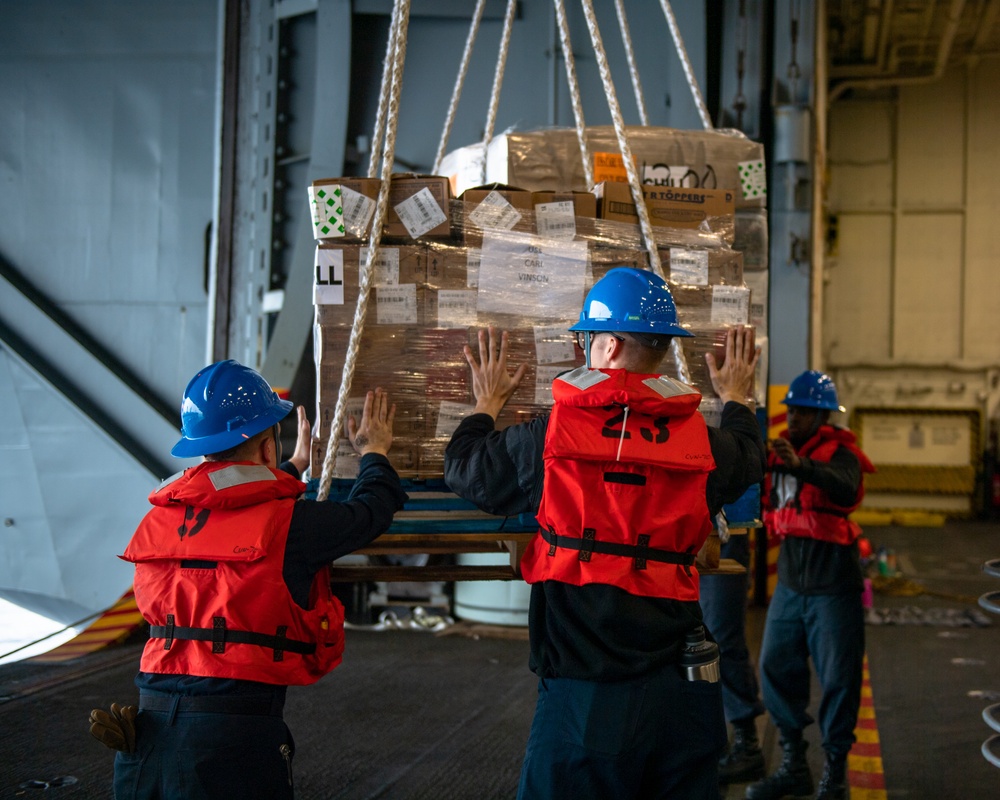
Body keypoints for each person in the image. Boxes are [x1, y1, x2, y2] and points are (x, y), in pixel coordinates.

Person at [444, 266, 767, 800]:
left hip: (587, 697)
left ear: (611, 345)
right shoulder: (705, 445)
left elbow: (465, 470)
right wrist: (735, 397)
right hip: (682, 694)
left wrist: (486, 405)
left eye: (587, 340)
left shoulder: (548, 437)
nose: (584, 351)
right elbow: (750, 457)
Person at [112, 360, 407, 799]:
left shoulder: (160, 517)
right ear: (267, 447)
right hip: (232, 743)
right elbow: (370, 512)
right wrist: (374, 451)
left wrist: (291, 468)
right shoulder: (296, 525)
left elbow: (229, 506)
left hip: (145, 737)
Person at [746, 370, 875, 800]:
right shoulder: (780, 454)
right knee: (775, 671)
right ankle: (794, 764)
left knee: (839, 680)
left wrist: (802, 466)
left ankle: (834, 774)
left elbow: (844, 486)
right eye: (793, 410)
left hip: (833, 590)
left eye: (804, 411)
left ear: (823, 416)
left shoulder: (842, 456)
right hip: (790, 587)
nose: (795, 417)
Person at [700, 532, 766, 785]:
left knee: (721, 641)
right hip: (676, 531)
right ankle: (709, 741)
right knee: (686, 638)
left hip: (721, 535)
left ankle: (746, 742)